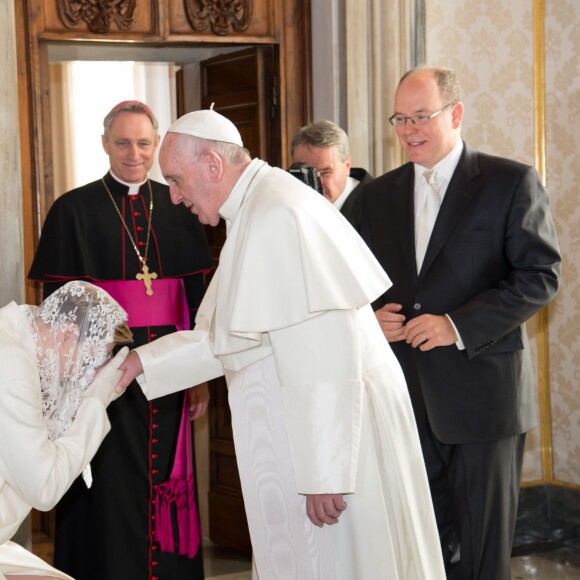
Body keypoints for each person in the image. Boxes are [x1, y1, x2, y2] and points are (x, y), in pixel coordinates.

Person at [116, 108, 447, 580]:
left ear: (212, 164)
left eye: (175, 179)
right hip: (310, 441)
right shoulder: (257, 206)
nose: (173, 196)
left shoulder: (278, 212)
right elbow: (231, 336)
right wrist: (142, 362)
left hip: (336, 453)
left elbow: (326, 351)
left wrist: (325, 474)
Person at [359, 66, 561, 580]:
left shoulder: (509, 181)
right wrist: (365, 317)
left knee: (481, 554)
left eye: (421, 116)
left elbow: (539, 276)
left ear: (456, 114)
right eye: (400, 118)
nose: (408, 129)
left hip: (481, 401)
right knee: (417, 548)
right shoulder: (375, 195)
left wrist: (457, 324)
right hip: (402, 400)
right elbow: (347, 286)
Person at [28, 101, 214, 580]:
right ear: (105, 143)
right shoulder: (72, 209)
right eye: (123, 142)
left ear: (157, 145)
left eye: (144, 143)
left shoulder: (179, 205)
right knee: (107, 491)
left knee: (165, 484)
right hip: (100, 376)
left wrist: (200, 377)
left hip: (169, 372)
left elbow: (197, 304)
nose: (134, 153)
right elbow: (57, 311)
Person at [0, 280, 131, 579]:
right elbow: (44, 488)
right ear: (68, 336)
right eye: (93, 359)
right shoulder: (12, 369)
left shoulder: (15, 330)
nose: (87, 374)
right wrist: (95, 402)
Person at [290, 119, 373, 232]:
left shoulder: (376, 207)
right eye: (307, 173)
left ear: (347, 165)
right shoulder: (289, 203)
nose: (316, 182)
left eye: (325, 173)